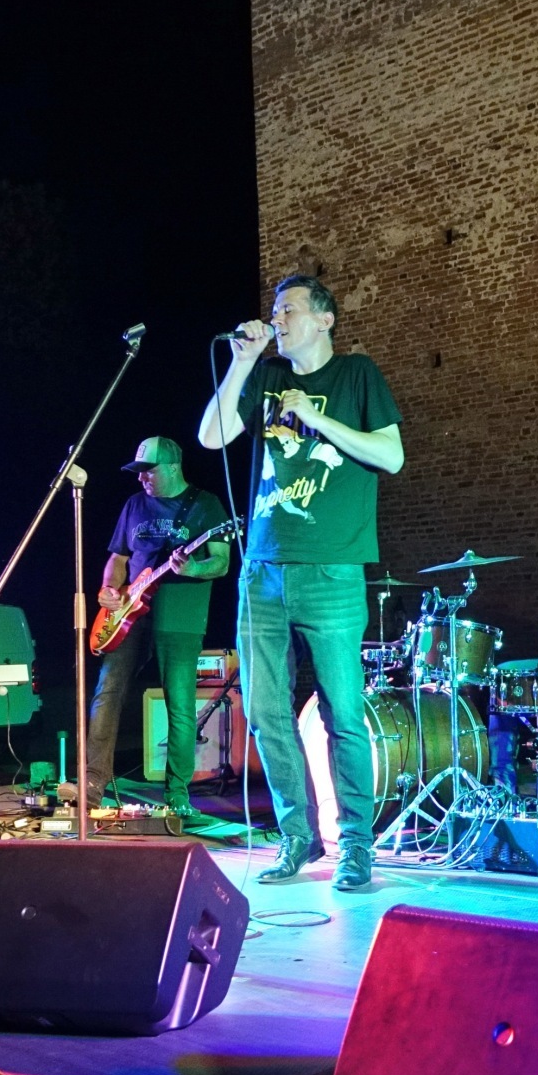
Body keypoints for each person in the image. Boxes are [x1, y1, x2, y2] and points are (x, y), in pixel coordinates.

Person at [198, 274, 404, 890]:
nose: (277, 319)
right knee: (265, 712)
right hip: (262, 571)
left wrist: (318, 418)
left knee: (344, 712)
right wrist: (242, 362)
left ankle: (356, 845)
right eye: (274, 310)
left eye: (288, 309)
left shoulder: (357, 374)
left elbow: (391, 456)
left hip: (333, 570)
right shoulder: (264, 375)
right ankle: (297, 835)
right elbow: (211, 436)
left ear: (324, 318)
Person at [85, 436, 232, 814]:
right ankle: (92, 783)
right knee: (106, 692)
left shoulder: (206, 504)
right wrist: (109, 589)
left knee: (179, 704)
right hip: (129, 614)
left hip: (181, 615)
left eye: (148, 471)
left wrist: (193, 567)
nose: (142, 478)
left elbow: (221, 561)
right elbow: (118, 558)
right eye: (139, 472)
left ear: (173, 467)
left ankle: (177, 795)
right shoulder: (134, 505)